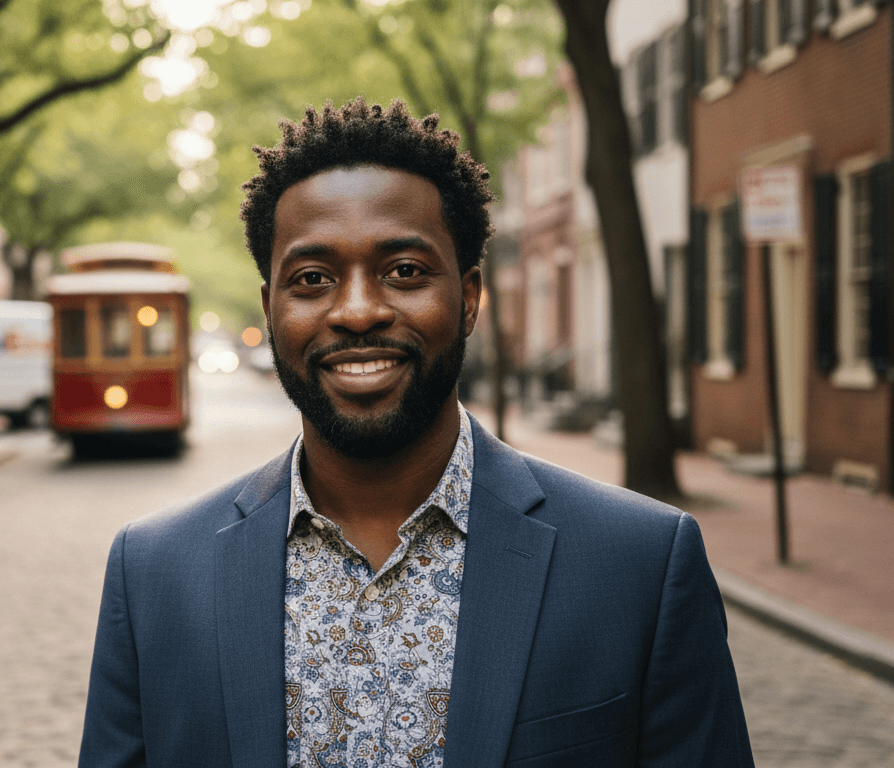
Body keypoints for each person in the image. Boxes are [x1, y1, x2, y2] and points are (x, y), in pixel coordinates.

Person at [78, 99, 753, 768]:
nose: (358, 311)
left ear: (469, 298)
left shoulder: (640, 567)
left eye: (404, 271)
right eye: (312, 279)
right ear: (271, 308)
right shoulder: (154, 574)